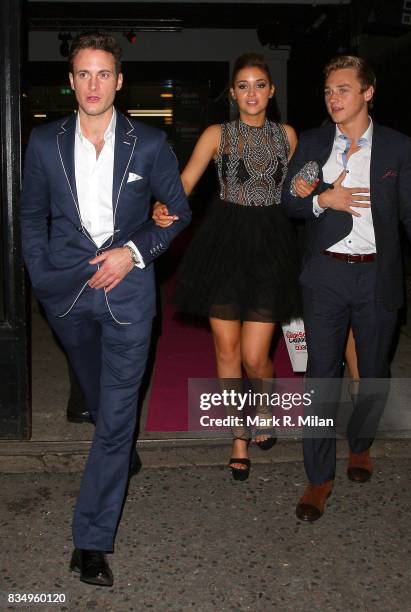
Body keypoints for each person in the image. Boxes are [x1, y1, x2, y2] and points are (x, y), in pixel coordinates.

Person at [20, 32, 191, 586]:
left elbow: (179, 211)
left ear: (119, 81)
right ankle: (117, 444)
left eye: (104, 74)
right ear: (71, 81)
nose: (94, 85)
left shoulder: (149, 144)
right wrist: (42, 277)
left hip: (130, 292)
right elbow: (31, 218)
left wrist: (135, 250)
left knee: (116, 417)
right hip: (66, 293)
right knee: (95, 395)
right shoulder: (44, 143)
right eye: (83, 74)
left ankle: (90, 542)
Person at [282, 55, 411, 522]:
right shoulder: (312, 145)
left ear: (367, 93)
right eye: (329, 90)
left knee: (372, 371)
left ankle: (361, 445)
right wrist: (321, 200)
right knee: (320, 376)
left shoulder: (396, 148)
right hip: (326, 275)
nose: (334, 98)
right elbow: (291, 203)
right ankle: (317, 478)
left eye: (343, 89)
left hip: (376, 274)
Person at [153, 53, 309, 480]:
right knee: (226, 349)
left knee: (257, 355)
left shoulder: (288, 136)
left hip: (271, 246)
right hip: (223, 244)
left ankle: (264, 406)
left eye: (260, 84)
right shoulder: (216, 135)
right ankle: (238, 434)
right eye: (243, 85)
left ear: (271, 91)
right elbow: (186, 182)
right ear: (234, 93)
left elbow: (299, 192)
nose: (252, 93)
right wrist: (165, 205)